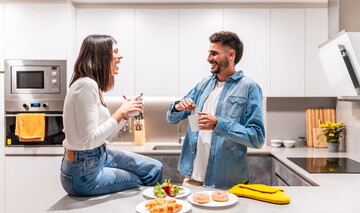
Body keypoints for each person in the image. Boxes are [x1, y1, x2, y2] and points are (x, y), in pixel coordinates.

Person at [60, 35, 163, 196]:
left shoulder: (93, 85)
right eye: (115, 51)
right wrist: (120, 112)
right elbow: (89, 141)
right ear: (101, 56)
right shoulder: (86, 85)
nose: (120, 56)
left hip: (97, 157)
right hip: (83, 173)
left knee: (155, 168)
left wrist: (125, 115)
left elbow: (103, 136)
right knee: (143, 180)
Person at [167, 31, 265, 188]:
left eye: (214, 53)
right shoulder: (204, 84)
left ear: (231, 55)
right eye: (209, 53)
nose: (208, 59)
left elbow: (257, 138)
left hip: (227, 182)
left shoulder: (249, 88)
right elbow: (172, 118)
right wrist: (178, 107)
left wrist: (219, 125)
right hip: (193, 178)